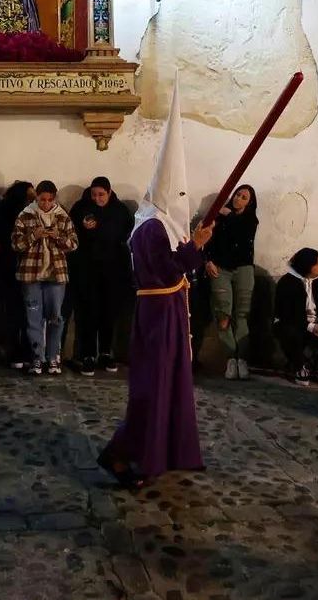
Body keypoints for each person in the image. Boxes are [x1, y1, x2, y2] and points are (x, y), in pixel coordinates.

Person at [98, 80, 213, 488]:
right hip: (159, 312)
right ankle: (125, 454)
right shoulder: (151, 228)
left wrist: (193, 248)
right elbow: (167, 270)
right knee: (155, 385)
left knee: (173, 382)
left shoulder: (156, 223)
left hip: (168, 309)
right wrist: (195, 246)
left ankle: (170, 451)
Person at [11, 180, 78, 375]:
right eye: (42, 200)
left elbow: (74, 244)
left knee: (55, 317)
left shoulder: (62, 216)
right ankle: (37, 358)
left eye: (50, 200)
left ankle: (53, 357)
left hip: (56, 275)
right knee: (34, 317)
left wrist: (58, 236)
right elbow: (15, 244)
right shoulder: (25, 215)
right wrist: (34, 235)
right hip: (31, 274)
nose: (46, 203)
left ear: (54, 198)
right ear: (37, 198)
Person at [69, 176, 133, 376]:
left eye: (101, 195)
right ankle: (88, 354)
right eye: (94, 194)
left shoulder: (120, 211)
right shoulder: (81, 208)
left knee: (109, 312)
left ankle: (105, 352)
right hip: (87, 270)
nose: (97, 199)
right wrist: (84, 228)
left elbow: (126, 235)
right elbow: (71, 232)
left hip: (112, 271)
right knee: (89, 312)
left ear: (109, 193)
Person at [203, 184, 258, 381]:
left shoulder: (250, 220)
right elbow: (206, 238)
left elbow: (242, 234)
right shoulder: (219, 217)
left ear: (249, 203)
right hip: (221, 268)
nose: (238, 199)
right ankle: (231, 359)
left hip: (243, 269)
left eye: (244, 197)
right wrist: (207, 260)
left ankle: (242, 359)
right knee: (223, 315)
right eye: (237, 194)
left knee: (242, 314)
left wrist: (229, 216)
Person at [273, 248, 318, 387]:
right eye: (317, 263)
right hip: (295, 323)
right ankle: (299, 366)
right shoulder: (287, 283)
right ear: (307, 265)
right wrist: (311, 327)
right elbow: (287, 314)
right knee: (290, 332)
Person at [0, 180, 34, 371]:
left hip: (21, 267)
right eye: (29, 196)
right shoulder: (9, 213)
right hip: (14, 267)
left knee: (23, 311)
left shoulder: (7, 211)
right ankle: (20, 350)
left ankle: (22, 350)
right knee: (18, 311)